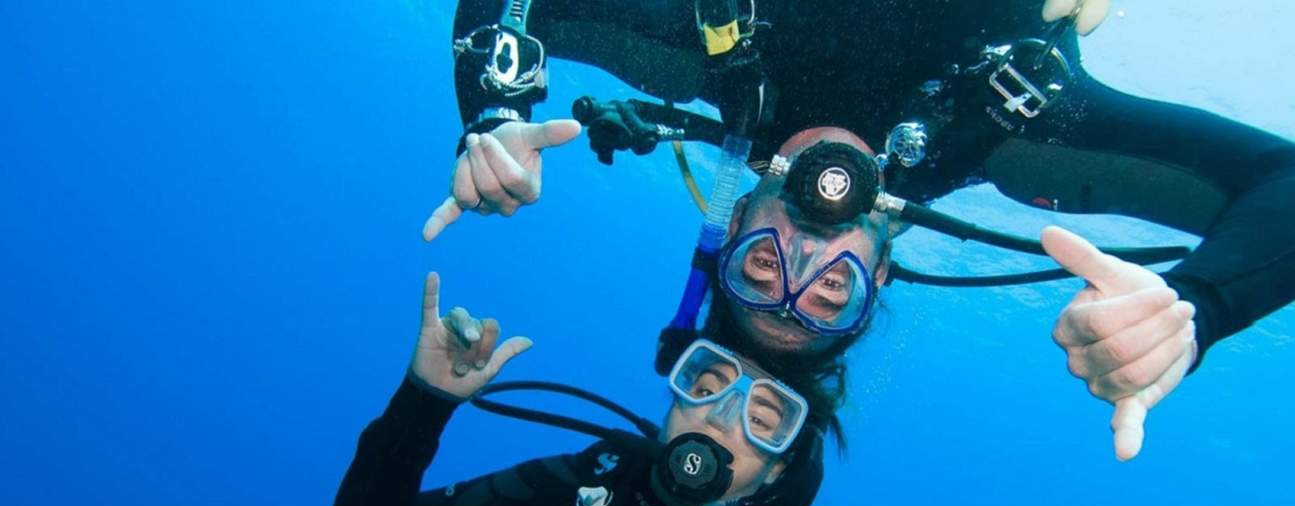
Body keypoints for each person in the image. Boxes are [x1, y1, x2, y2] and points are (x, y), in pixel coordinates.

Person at [420, 0, 1295, 460]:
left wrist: (491, 112)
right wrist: (1202, 307)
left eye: (760, 268)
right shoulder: (1012, 135)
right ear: (878, 273)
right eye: (829, 289)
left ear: (729, 229)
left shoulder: (709, 56)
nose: (803, 250)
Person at [322, 271, 1041, 506]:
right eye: (703, 384)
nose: (717, 416)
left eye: (763, 417)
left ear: (782, 470)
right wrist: (423, 401)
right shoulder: (579, 491)